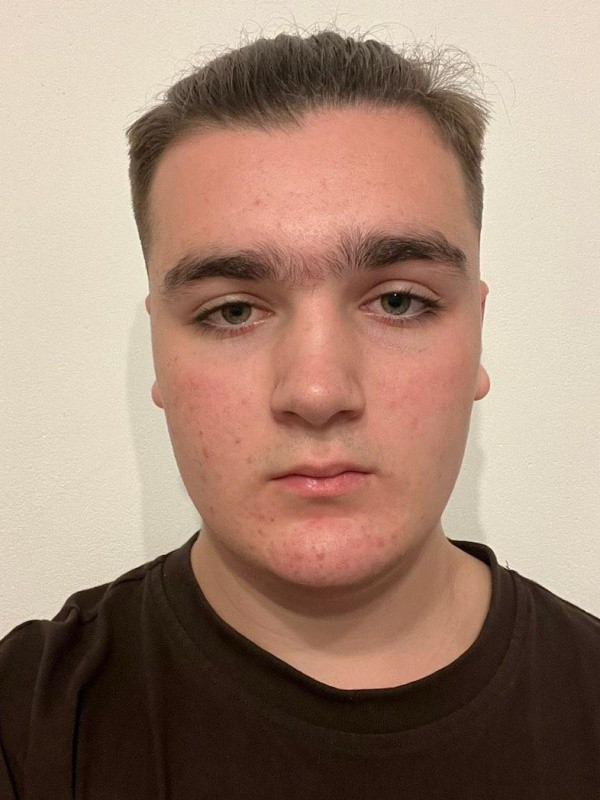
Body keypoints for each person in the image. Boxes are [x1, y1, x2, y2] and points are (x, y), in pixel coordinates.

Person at [1, 28, 599, 799]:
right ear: (159, 354)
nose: (317, 393)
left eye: (398, 301)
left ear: (476, 334)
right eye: (232, 311)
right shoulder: (25, 729)